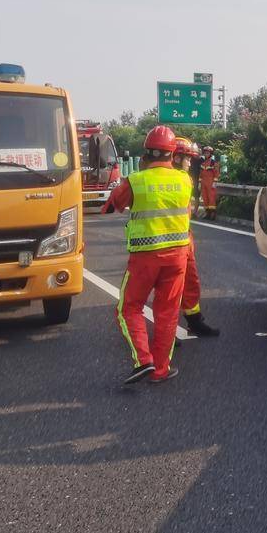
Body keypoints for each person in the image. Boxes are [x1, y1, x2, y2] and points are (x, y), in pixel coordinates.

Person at [102, 125, 192, 384]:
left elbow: (113, 205)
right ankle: (161, 369)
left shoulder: (137, 180)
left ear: (145, 155)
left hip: (145, 257)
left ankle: (143, 361)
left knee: (128, 308)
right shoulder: (185, 180)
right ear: (172, 155)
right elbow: (186, 212)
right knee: (167, 312)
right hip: (177, 257)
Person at [172, 138, 220, 337]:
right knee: (169, 290)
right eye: (187, 159)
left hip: (184, 239)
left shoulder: (185, 178)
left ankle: (195, 320)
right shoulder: (168, 179)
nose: (191, 163)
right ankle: (165, 332)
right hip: (166, 243)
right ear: (175, 157)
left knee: (191, 283)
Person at [199, 145, 220, 220]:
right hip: (204, 183)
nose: (206, 154)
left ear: (210, 154)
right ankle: (207, 213)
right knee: (205, 198)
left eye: (207, 153)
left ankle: (212, 214)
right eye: (205, 153)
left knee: (211, 198)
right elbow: (201, 173)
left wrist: (214, 182)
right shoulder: (203, 163)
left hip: (211, 183)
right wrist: (200, 182)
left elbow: (216, 173)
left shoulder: (214, 163)